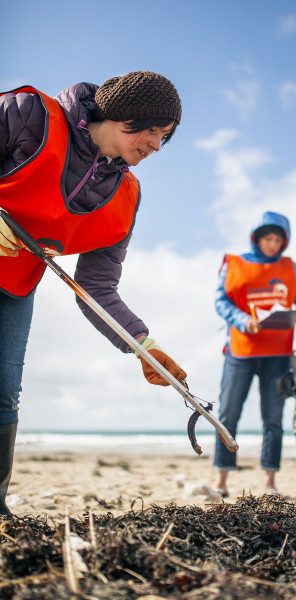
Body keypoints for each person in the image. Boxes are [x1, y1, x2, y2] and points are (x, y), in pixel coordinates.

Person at [0, 71, 187, 516]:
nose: (156, 146)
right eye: (150, 131)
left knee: (4, 392)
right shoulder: (29, 115)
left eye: (165, 136)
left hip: (13, 284)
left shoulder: (124, 194)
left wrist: (143, 345)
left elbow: (97, 287)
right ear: (120, 116)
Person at [213, 211, 296, 497]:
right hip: (241, 350)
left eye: (277, 239)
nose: (272, 244)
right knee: (228, 413)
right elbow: (220, 300)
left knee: (273, 418)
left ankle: (270, 483)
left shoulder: (290, 268)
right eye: (267, 238)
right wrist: (242, 320)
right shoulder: (233, 263)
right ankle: (221, 480)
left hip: (278, 353)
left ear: (283, 242)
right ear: (256, 238)